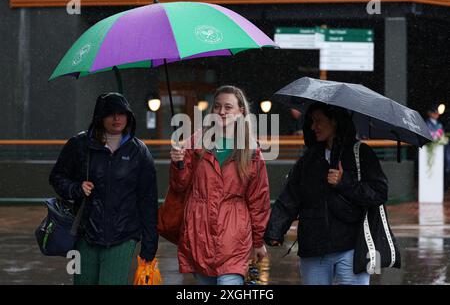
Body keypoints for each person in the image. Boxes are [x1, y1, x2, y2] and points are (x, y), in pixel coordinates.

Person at [264, 102, 388, 285]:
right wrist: (275, 230)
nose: (313, 127)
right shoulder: (308, 159)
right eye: (312, 121)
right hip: (313, 248)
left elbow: (379, 193)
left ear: (335, 122)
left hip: (352, 247)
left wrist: (344, 182)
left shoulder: (361, 153)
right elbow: (290, 197)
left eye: (319, 121)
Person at [49, 92, 158, 285]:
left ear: (129, 116)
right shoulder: (80, 145)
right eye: (110, 113)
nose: (117, 118)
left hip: (123, 236)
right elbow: (57, 177)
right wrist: (76, 188)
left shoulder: (139, 152)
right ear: (100, 117)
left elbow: (148, 200)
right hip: (85, 235)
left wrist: (150, 245)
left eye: (122, 113)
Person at [169, 85, 271, 285]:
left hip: (234, 235)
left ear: (241, 111)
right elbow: (180, 187)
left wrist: (258, 241)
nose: (221, 112)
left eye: (228, 107)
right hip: (200, 233)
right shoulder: (195, 143)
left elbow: (259, 200)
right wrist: (178, 163)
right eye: (217, 107)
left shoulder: (251, 151)